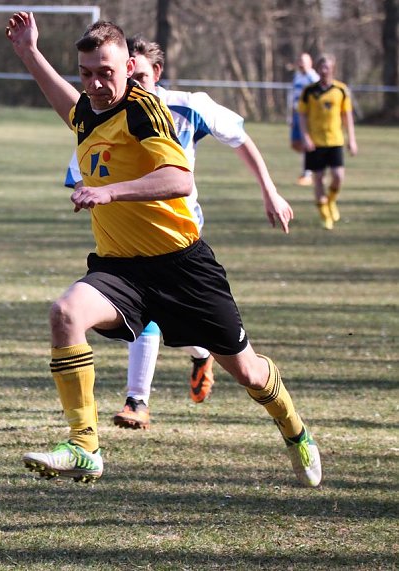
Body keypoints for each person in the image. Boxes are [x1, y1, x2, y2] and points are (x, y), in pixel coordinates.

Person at [5, 12, 321, 487]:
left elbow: (180, 178)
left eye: (105, 72)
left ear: (128, 67)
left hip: (183, 268)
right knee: (65, 314)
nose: (94, 84)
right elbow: (69, 106)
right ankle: (84, 445)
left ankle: (295, 431)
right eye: (86, 73)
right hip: (121, 270)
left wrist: (110, 192)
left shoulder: (143, 108)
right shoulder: (91, 109)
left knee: (251, 375)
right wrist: (30, 52)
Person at [64, 36, 294, 430]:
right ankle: (136, 402)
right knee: (131, 319)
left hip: (183, 240)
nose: (129, 85)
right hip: (129, 249)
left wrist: (270, 191)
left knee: (225, 354)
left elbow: (240, 140)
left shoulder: (188, 106)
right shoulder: (105, 114)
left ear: (155, 72)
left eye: (136, 76)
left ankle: (204, 356)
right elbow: (82, 162)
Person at [298, 54, 358, 230]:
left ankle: (330, 201)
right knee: (318, 179)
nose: (324, 71)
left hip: (335, 140)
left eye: (327, 67)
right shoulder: (309, 91)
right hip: (315, 142)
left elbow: (347, 116)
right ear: (317, 69)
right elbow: (301, 115)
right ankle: (325, 214)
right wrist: (305, 136)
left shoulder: (341, 90)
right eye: (321, 67)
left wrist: (351, 139)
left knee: (338, 177)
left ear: (333, 69)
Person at [289, 53, 320, 186]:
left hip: (307, 115)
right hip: (296, 113)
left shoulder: (313, 78)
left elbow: (318, 97)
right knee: (296, 144)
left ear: (310, 63)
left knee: (306, 144)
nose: (301, 64)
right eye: (299, 61)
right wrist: (290, 115)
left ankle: (307, 173)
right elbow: (292, 96)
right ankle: (314, 165)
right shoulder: (297, 76)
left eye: (303, 61)